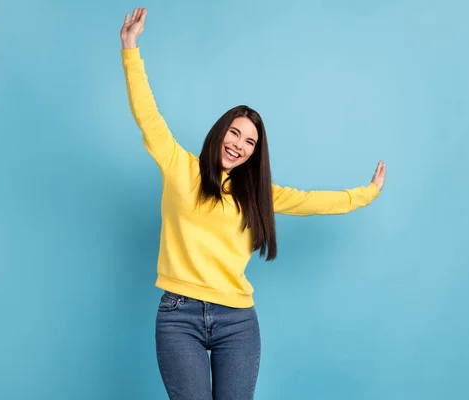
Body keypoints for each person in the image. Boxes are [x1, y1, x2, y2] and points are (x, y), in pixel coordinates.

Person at [120, 7, 386, 400]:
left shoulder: (255, 195)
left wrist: (367, 193)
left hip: (238, 322)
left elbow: (312, 201)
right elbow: (148, 115)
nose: (239, 146)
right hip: (179, 316)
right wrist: (130, 47)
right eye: (234, 133)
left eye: (250, 143)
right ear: (219, 132)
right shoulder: (180, 167)